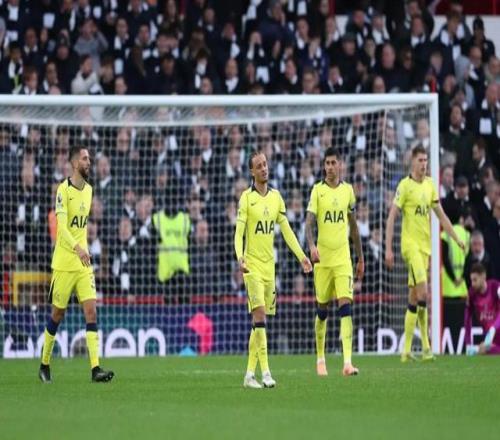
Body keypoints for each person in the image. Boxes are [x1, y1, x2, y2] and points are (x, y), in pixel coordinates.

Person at [234, 151, 312, 389]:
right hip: (252, 267)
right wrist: (240, 257)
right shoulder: (246, 198)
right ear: (252, 171)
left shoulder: (277, 197)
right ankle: (266, 373)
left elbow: (287, 231)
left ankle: (249, 375)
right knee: (259, 316)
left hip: (270, 269)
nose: (264, 169)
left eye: (265, 164)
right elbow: (239, 233)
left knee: (258, 323)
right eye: (259, 166)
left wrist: (302, 257)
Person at [38, 145, 114, 383]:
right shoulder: (63, 190)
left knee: (91, 311)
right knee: (58, 314)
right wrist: (78, 248)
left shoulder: (89, 190)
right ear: (73, 163)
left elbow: (81, 228)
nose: (88, 162)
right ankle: (44, 364)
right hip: (64, 263)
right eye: (84, 158)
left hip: (83, 263)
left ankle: (95, 369)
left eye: (89, 158)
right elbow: (62, 228)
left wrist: (84, 250)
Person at [385, 145, 465, 362]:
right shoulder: (405, 186)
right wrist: (388, 248)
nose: (423, 164)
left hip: (425, 249)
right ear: (413, 161)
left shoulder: (430, 185)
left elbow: (442, 216)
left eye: (425, 160)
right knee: (424, 293)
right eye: (420, 160)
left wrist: (456, 238)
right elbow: (391, 217)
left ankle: (406, 351)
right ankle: (427, 348)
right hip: (410, 247)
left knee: (414, 298)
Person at [305, 147, 364, 377]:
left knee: (345, 306)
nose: (330, 167)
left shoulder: (348, 191)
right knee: (322, 310)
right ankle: (320, 358)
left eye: (333, 163)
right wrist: (311, 246)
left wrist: (360, 258)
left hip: (343, 260)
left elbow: (354, 227)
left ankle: (347, 362)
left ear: (340, 164)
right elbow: (309, 223)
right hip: (323, 261)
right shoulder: (317, 191)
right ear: (324, 166)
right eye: (327, 163)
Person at [464, 263, 500, 355]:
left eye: (475, 280)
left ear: (483, 276)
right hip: (491, 341)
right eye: (471, 280)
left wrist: (493, 328)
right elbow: (467, 319)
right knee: (486, 350)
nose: (472, 284)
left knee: (485, 350)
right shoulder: (472, 294)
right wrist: (468, 343)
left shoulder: (495, 287)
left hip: (495, 333)